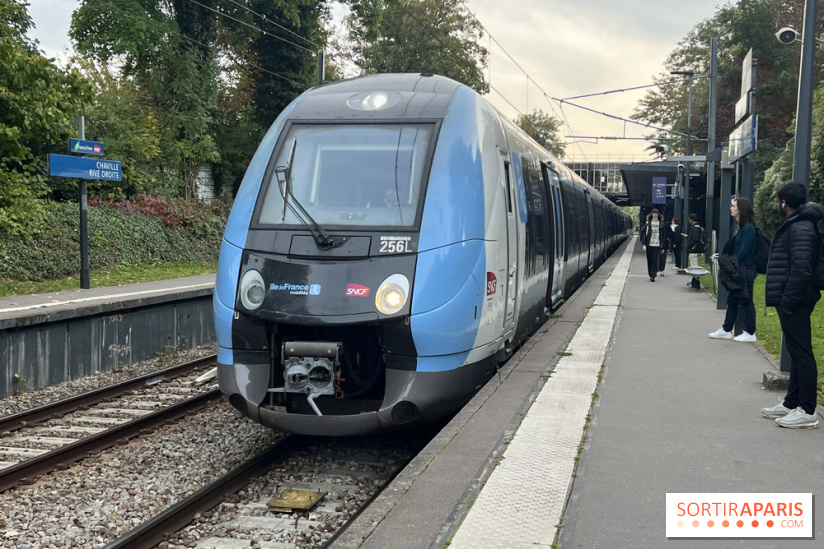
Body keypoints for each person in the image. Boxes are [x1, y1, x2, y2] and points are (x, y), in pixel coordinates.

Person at [761, 181, 824, 428]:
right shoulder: (799, 224)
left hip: (796, 300)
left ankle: (808, 410)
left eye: (778, 201)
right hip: (793, 299)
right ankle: (791, 402)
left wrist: (788, 301)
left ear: (784, 202)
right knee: (797, 351)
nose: (777, 205)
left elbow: (801, 267)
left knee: (801, 353)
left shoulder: (801, 228)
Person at [709, 196, 757, 342]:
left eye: (734, 206)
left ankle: (750, 332)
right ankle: (727, 329)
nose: (731, 208)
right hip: (741, 269)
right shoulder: (741, 228)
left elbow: (744, 251)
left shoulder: (748, 228)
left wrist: (730, 263)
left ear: (741, 210)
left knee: (747, 300)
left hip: (745, 269)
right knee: (733, 300)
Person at [640, 209, 667, 282]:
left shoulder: (661, 224)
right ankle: (651, 274)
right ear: (651, 214)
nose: (655, 214)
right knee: (649, 260)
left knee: (655, 260)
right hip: (649, 244)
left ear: (658, 215)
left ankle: (653, 275)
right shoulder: (647, 224)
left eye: (656, 213)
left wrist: (663, 247)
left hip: (657, 245)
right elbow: (643, 234)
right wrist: (644, 244)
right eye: (654, 213)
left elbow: (664, 236)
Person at [686, 213, 703, 290]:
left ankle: (696, 284)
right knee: (695, 266)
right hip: (696, 249)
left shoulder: (695, 228)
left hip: (693, 250)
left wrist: (690, 245)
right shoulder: (698, 227)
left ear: (691, 219)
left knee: (694, 267)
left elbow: (695, 239)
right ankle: (694, 282)